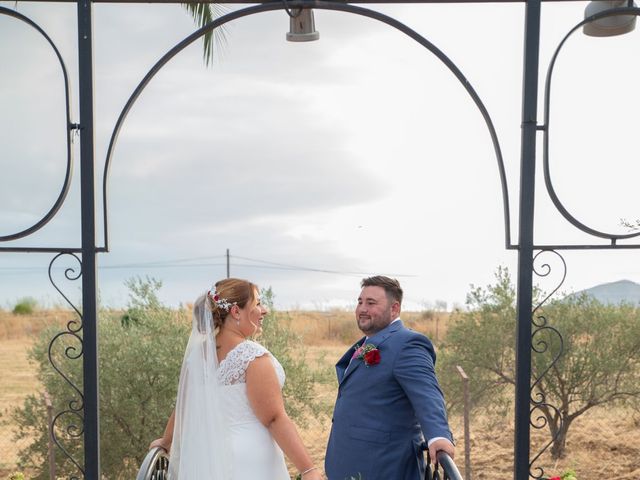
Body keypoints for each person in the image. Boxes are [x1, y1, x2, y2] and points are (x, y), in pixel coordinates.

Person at [149, 278, 323, 480]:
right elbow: (274, 418)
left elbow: (183, 406)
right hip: (249, 459)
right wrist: (308, 469)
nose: (264, 310)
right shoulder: (251, 356)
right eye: (257, 303)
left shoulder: (198, 356)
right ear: (236, 312)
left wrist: (166, 440)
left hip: (207, 458)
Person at [325, 275, 455, 480]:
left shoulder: (408, 344)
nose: (362, 308)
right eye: (360, 302)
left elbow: (427, 394)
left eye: (371, 303)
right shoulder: (368, 342)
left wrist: (438, 436)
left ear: (394, 309)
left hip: (383, 467)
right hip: (349, 463)